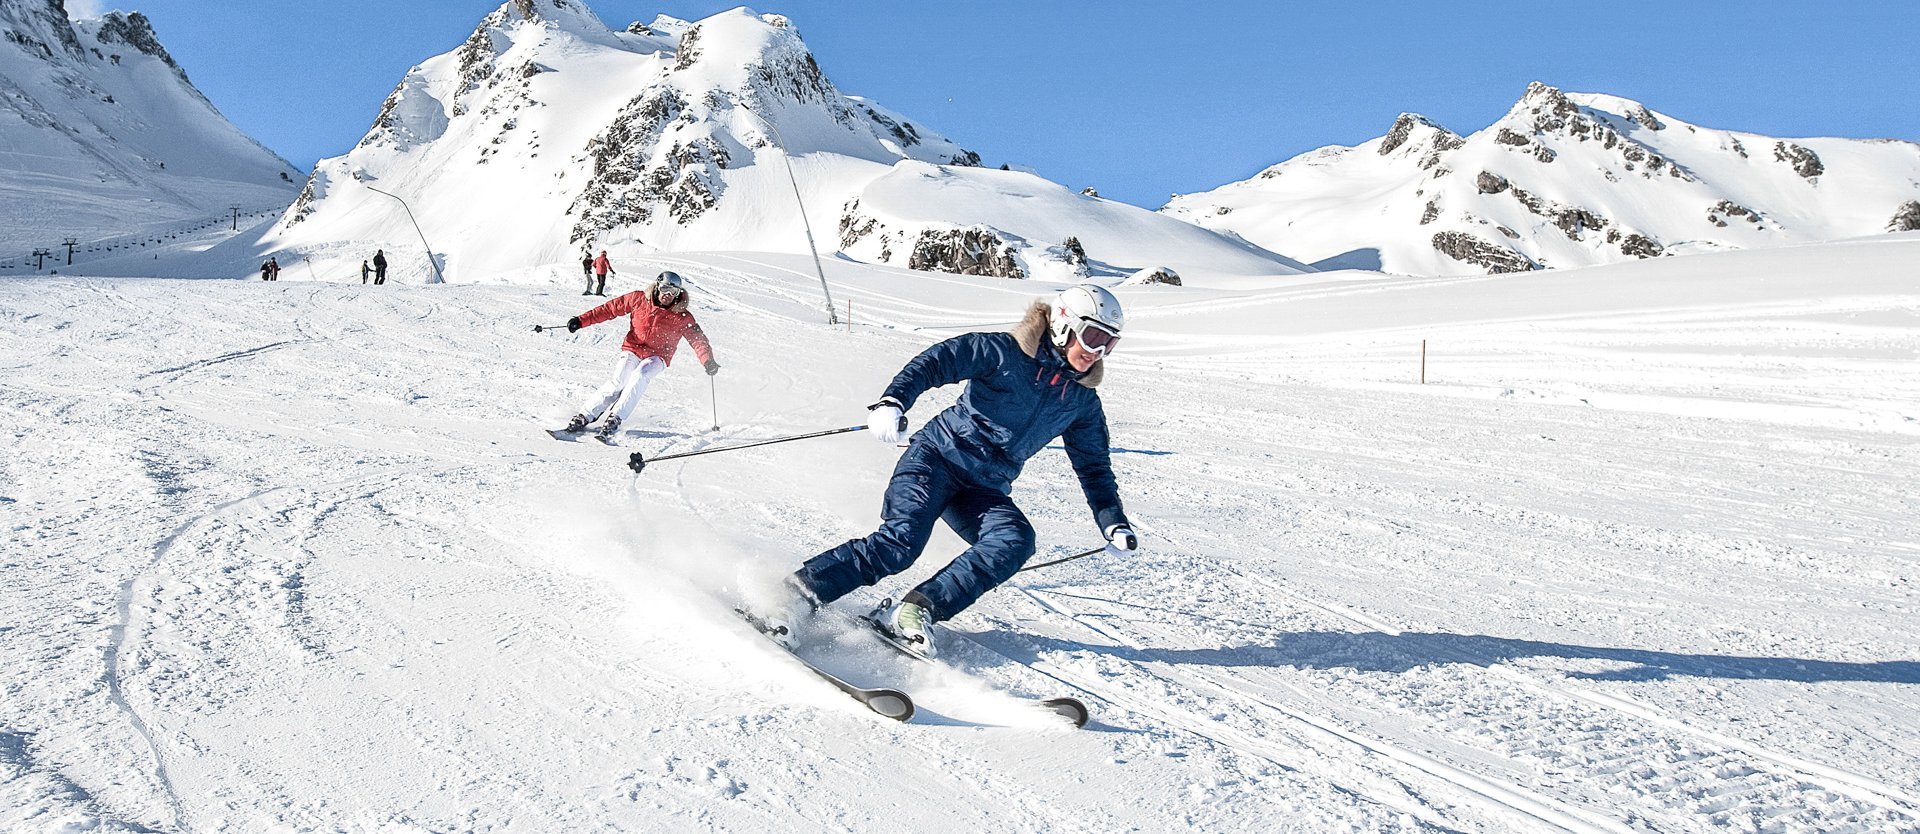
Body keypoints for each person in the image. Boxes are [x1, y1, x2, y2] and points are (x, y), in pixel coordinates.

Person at [763, 284, 1139, 658]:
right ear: (1063, 325)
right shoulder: (1002, 353)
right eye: (1093, 338)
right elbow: (938, 361)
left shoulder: (1081, 401)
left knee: (1014, 540)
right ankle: (792, 597)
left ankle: (914, 610)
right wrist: (893, 401)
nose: (1098, 353)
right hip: (936, 459)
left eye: (1109, 344)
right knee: (899, 545)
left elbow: (1093, 466)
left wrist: (1113, 521)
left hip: (984, 488)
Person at [560, 271, 719, 441]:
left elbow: (697, 339)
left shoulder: (682, 316)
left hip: (659, 355)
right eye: (665, 288)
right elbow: (609, 309)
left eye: (673, 292)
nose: (667, 295)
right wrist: (581, 320)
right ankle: (585, 415)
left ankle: (615, 418)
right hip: (633, 347)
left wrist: (707, 360)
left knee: (640, 375)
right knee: (618, 382)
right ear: (657, 286)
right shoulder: (638, 299)